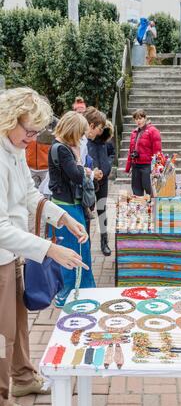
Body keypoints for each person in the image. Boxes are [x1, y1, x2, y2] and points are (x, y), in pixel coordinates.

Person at [0, 87, 89, 406]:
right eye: (29, 129)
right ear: (10, 118)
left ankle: (23, 378)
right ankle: (1, 403)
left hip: (13, 252)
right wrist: (50, 249)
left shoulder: (13, 149)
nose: (33, 137)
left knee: (18, 322)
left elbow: (28, 194)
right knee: (1, 333)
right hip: (4, 251)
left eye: (38, 131)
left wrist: (62, 217)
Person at [48, 111, 96, 307]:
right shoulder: (63, 149)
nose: (83, 137)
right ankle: (72, 292)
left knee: (75, 248)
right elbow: (77, 175)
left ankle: (75, 291)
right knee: (76, 249)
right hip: (67, 208)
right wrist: (78, 159)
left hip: (65, 206)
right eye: (81, 133)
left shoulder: (58, 147)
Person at [84, 107, 115, 256]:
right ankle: (87, 243)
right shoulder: (86, 140)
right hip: (90, 182)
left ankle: (104, 242)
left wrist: (107, 166)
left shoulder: (106, 139)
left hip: (103, 181)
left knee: (102, 212)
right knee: (88, 212)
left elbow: (112, 154)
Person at [125, 109, 162, 196]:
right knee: (136, 191)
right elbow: (131, 151)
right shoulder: (134, 132)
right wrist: (128, 167)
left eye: (140, 118)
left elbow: (157, 151)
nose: (138, 121)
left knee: (149, 189)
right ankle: (139, 208)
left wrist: (156, 168)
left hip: (147, 165)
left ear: (145, 118)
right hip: (136, 165)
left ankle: (152, 207)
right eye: (136, 119)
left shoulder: (153, 131)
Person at [25, 117, 58, 188]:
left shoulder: (52, 123)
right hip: (29, 167)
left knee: (45, 193)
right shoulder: (28, 122)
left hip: (46, 169)